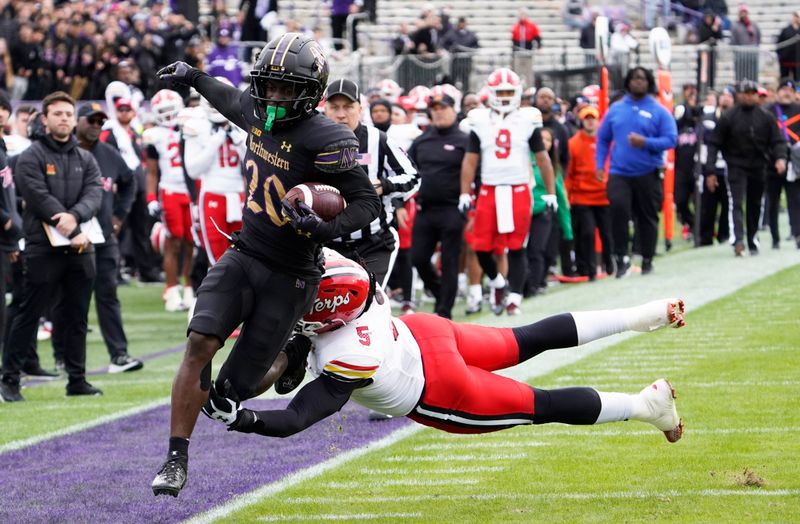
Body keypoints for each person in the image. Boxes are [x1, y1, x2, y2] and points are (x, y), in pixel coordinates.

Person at [151, 32, 381, 497]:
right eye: (268, 85)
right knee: (200, 342)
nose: (273, 95)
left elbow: (366, 202)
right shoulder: (256, 110)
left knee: (236, 388)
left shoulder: (327, 136)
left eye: (285, 87)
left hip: (293, 273)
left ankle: (293, 351)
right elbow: (228, 98)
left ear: (310, 91)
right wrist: (193, 76)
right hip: (245, 252)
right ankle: (176, 457)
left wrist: (323, 229)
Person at [201, 250, 685, 443]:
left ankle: (645, 406)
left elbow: (296, 418)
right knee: (528, 337)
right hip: (429, 335)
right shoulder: (347, 277)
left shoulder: (343, 354)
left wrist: (243, 418)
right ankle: (645, 314)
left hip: (439, 388)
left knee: (543, 404)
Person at [0, 92, 102, 402]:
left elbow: (95, 192)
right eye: (57, 114)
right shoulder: (32, 155)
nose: (64, 119)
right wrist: (64, 221)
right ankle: (9, 379)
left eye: (68, 114)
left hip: (82, 246)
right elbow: (36, 192)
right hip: (43, 247)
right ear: (44, 119)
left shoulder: (85, 157)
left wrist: (75, 217)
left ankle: (77, 378)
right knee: (28, 313)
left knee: (77, 315)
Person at [460, 68, 556, 316]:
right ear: (490, 93)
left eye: (508, 92)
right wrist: (464, 193)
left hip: (519, 188)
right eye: (499, 92)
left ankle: (515, 296)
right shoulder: (479, 120)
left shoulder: (528, 119)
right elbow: (470, 161)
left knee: (517, 246)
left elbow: (543, 159)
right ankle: (498, 283)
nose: (503, 97)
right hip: (489, 189)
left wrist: (551, 192)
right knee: (480, 246)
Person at [323, 79, 420, 288]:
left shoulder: (378, 139)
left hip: (373, 243)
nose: (341, 114)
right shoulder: (312, 140)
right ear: (325, 109)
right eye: (334, 107)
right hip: (326, 245)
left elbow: (413, 177)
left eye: (348, 107)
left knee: (368, 305)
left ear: (360, 108)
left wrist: (384, 185)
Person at [71, 102, 142, 374]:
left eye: (100, 122)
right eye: (91, 120)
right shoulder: (65, 153)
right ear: (78, 121)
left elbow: (130, 182)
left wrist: (119, 215)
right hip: (69, 238)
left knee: (108, 295)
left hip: (103, 237)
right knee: (69, 299)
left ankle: (119, 355)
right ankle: (64, 358)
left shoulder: (109, 154)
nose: (96, 126)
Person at [595, 67, 677, 277]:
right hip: (619, 172)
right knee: (618, 210)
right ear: (628, 82)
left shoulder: (659, 110)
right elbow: (603, 138)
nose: (638, 82)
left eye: (642, 78)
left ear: (649, 83)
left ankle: (647, 257)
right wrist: (599, 165)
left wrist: (646, 142)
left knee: (647, 216)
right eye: (634, 78)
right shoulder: (616, 109)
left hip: (647, 172)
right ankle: (621, 256)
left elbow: (671, 139)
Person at [705, 79, 787, 256]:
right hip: (736, 165)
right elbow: (714, 144)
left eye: (751, 93)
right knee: (736, 201)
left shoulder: (765, 117)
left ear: (756, 95)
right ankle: (738, 239)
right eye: (745, 93)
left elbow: (777, 140)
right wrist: (710, 170)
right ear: (739, 95)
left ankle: (752, 237)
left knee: (755, 203)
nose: (748, 97)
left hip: (759, 165)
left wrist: (780, 158)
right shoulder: (728, 117)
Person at [407, 93, 468, 319]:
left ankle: (444, 312)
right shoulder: (422, 140)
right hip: (426, 209)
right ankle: (442, 294)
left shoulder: (464, 140)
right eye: (435, 108)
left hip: (453, 209)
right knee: (419, 258)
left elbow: (475, 173)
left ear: (454, 109)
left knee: (450, 261)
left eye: (444, 107)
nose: (439, 111)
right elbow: (408, 171)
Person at [183, 79, 247, 265]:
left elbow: (254, 163)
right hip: (213, 194)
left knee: (242, 255)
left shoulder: (241, 122)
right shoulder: (196, 124)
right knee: (217, 258)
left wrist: (241, 144)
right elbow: (193, 170)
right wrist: (216, 141)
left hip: (239, 195)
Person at [143, 88, 194, 311]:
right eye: (162, 111)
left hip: (191, 191)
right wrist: (151, 197)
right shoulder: (154, 135)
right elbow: (152, 172)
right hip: (170, 191)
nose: (167, 115)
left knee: (192, 243)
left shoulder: (191, 126)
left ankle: (190, 288)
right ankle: (172, 290)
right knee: (173, 243)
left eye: (170, 110)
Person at [565, 106, 614, 280]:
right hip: (582, 197)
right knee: (587, 234)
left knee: (607, 234)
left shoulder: (607, 142)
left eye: (593, 117)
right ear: (582, 120)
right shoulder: (574, 143)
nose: (590, 121)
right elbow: (569, 173)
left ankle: (610, 266)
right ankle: (590, 270)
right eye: (587, 118)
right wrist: (567, 195)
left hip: (604, 196)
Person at [765, 79, 800, 249]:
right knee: (773, 201)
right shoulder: (768, 111)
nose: (787, 93)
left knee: (796, 200)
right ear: (778, 92)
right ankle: (775, 237)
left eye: (790, 90)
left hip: (795, 164)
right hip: (772, 163)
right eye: (784, 89)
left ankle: (797, 233)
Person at [730, 4, 761, 82]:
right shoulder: (735, 25)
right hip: (740, 56)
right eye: (741, 12)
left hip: (752, 55)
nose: (743, 14)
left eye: (744, 12)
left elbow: (758, 37)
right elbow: (733, 41)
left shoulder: (753, 25)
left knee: (753, 75)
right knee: (740, 76)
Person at [776, 11, 800, 82]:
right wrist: (782, 56)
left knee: (797, 81)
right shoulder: (785, 30)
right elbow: (779, 44)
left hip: (797, 62)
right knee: (784, 80)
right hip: (785, 61)